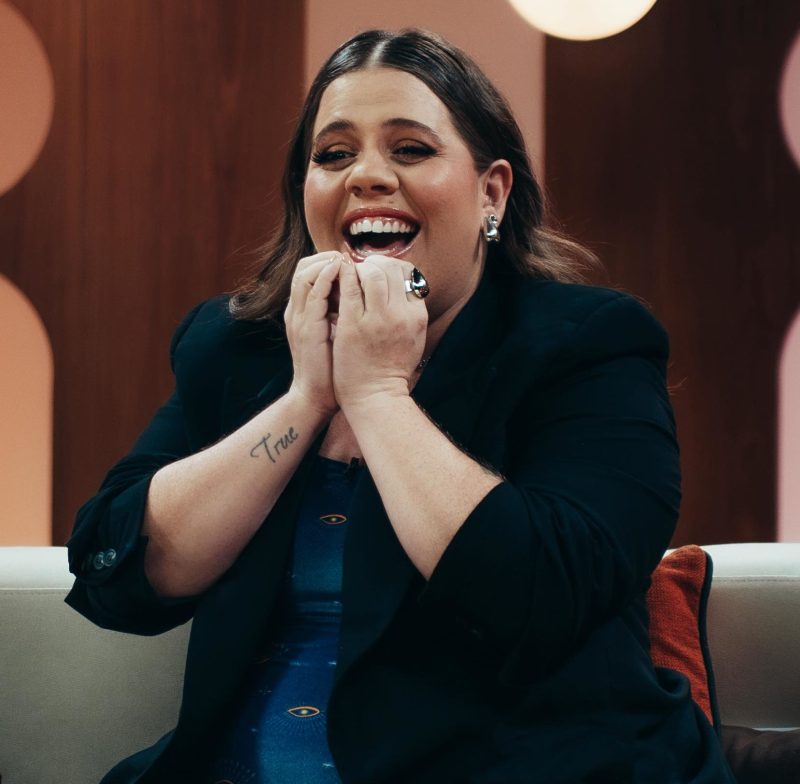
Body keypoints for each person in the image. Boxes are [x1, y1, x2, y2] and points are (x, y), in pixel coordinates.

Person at [65, 28, 735, 784]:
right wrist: (308, 397)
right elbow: (116, 575)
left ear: (492, 193)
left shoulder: (589, 345)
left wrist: (377, 393)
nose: (367, 177)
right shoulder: (233, 346)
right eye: (333, 154)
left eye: (410, 149)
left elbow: (542, 599)